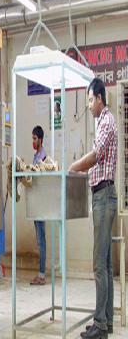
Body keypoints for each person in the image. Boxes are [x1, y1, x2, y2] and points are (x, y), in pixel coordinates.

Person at [69, 78, 117, 339]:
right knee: (106, 264)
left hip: (104, 196)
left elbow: (97, 155)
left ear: (99, 98)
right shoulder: (102, 122)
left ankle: (100, 324)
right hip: (102, 195)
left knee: (99, 264)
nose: (88, 105)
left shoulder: (106, 121)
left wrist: (74, 166)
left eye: (90, 100)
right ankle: (105, 321)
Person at [30, 125, 47, 286]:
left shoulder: (43, 157)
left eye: (35, 138)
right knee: (39, 239)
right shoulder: (36, 156)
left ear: (40, 139)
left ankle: (42, 275)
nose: (33, 141)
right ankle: (40, 274)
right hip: (36, 202)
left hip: (41, 202)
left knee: (41, 239)